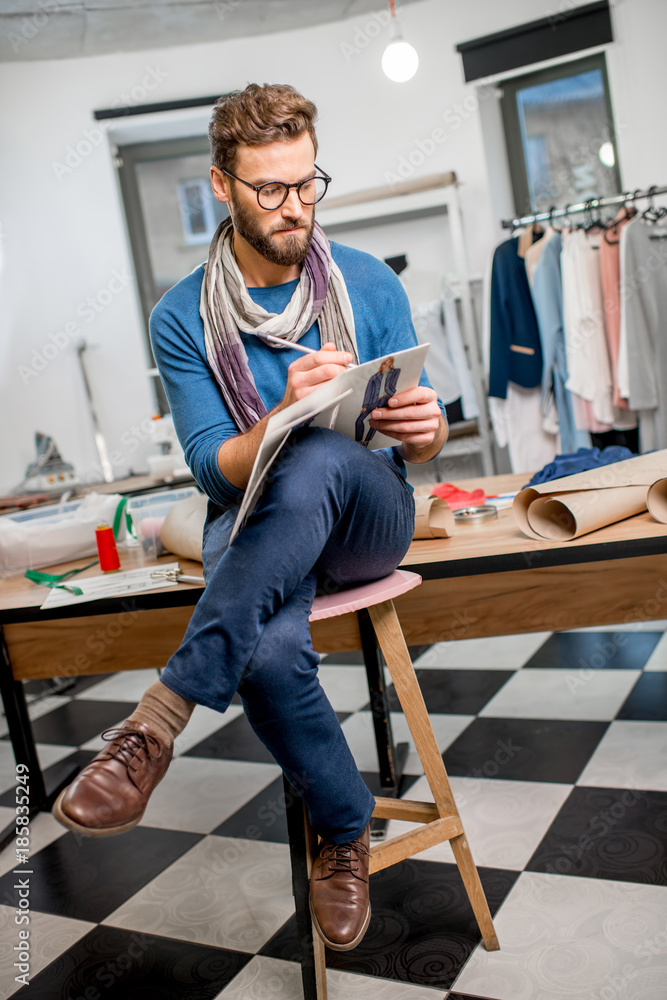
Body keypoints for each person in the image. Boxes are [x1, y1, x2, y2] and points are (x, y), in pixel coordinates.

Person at [53, 83, 448, 952]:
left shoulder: (368, 281)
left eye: (308, 184)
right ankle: (344, 831)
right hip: (260, 517)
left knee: (317, 456)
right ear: (222, 185)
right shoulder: (180, 316)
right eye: (270, 189)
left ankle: (155, 720)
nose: (294, 207)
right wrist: (279, 419)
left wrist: (428, 429)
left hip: (369, 514)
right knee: (266, 644)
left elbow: (422, 431)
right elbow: (209, 466)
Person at [355, 356, 401, 445]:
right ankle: (358, 440)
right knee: (359, 420)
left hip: (384, 400)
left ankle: (367, 441)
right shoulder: (374, 377)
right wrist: (365, 405)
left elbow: (395, 380)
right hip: (372, 401)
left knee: (376, 422)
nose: (387, 364)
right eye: (385, 363)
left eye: (389, 363)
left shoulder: (395, 372)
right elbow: (368, 391)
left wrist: (391, 393)